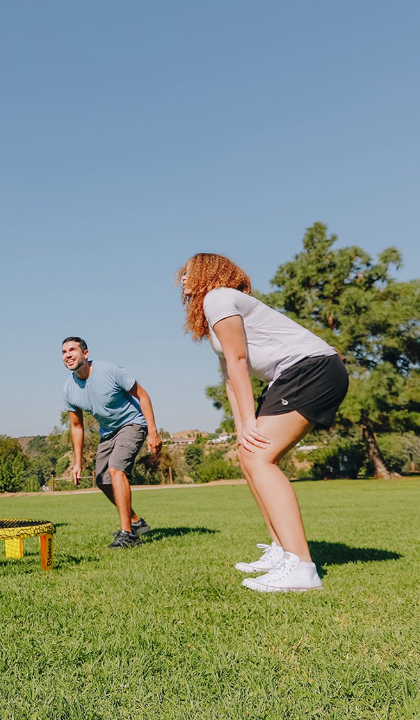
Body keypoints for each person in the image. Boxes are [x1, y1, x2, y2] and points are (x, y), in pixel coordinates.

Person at [177, 252, 349, 592]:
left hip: (311, 369)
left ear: (205, 273)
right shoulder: (216, 312)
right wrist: (243, 426)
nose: (181, 280)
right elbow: (229, 376)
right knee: (249, 455)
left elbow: (240, 361)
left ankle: (301, 567)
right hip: (292, 376)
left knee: (259, 456)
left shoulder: (218, 297)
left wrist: (251, 420)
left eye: (187, 273)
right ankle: (281, 551)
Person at [60, 337, 164, 548]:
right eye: (63, 352)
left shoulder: (110, 370)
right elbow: (77, 427)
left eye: (72, 350)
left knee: (117, 470)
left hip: (133, 424)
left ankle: (128, 535)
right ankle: (135, 522)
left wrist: (153, 431)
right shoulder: (69, 389)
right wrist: (77, 462)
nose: (68, 355)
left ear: (85, 353)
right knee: (102, 480)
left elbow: (143, 396)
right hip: (108, 432)